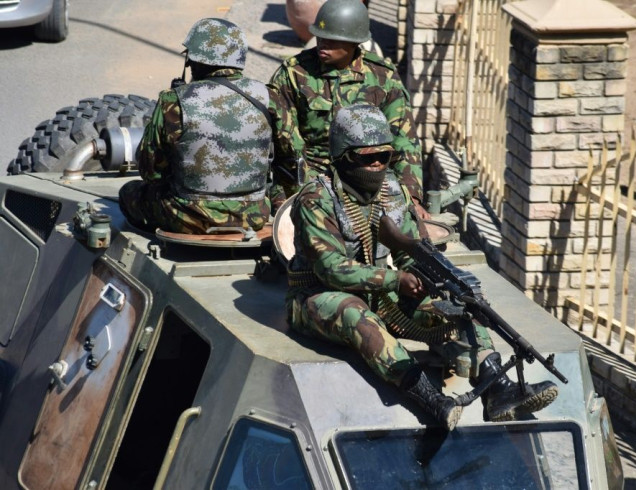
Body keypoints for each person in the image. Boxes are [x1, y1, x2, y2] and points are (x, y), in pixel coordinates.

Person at [286, 105, 558, 430]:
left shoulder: (392, 193)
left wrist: (439, 287)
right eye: (365, 157)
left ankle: (497, 387)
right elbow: (331, 269)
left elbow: (411, 253)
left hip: (381, 295)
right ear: (342, 156)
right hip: (316, 297)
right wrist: (394, 279)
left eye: (384, 157)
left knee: (456, 308)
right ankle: (432, 400)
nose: (376, 165)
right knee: (353, 313)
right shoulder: (317, 199)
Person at [268, 0, 430, 219]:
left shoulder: (383, 78)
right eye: (320, 37)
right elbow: (285, 143)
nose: (322, 45)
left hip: (367, 179)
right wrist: (310, 191)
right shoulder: (294, 74)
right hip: (305, 178)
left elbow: (404, 140)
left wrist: (411, 197)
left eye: (332, 40)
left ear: (354, 42)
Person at [119, 18, 272, 234]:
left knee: (129, 192)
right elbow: (291, 159)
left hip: (189, 217)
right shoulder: (268, 96)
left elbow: (150, 170)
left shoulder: (173, 101)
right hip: (253, 216)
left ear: (194, 60)